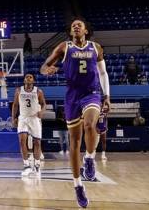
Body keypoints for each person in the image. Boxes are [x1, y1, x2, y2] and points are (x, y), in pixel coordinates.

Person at [41, 18, 110, 209]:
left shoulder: (96, 47)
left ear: (86, 30)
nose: (76, 26)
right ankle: (78, 186)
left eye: (79, 25)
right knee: (74, 143)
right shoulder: (64, 47)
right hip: (72, 96)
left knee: (89, 124)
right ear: (71, 32)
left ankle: (89, 158)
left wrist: (108, 96)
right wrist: (48, 69)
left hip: (92, 93)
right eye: (73, 26)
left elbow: (103, 74)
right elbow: (44, 65)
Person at [11, 73, 46, 176]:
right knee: (22, 141)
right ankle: (26, 165)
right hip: (23, 118)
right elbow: (15, 105)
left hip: (34, 118)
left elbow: (43, 103)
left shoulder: (38, 91)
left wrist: (42, 112)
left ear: (33, 80)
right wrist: (14, 118)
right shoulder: (18, 90)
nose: (28, 78)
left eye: (31, 77)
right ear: (24, 80)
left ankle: (37, 165)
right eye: (27, 77)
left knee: (37, 142)